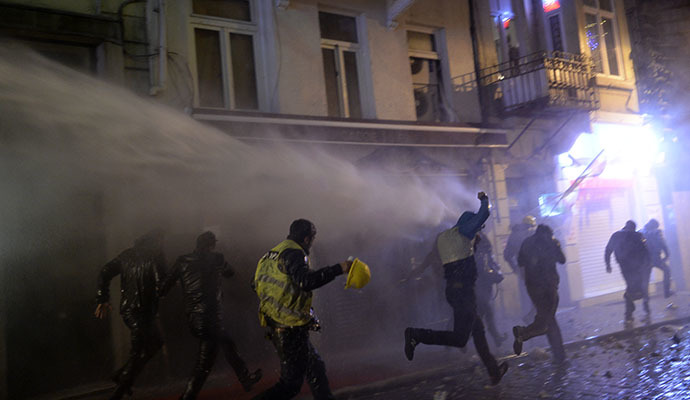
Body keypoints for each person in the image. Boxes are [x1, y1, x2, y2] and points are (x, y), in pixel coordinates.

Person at [404, 192, 509, 385]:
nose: (479, 231)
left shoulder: (444, 238)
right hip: (462, 293)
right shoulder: (464, 235)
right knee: (460, 338)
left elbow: (430, 258)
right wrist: (484, 198)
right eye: (477, 228)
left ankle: (494, 371)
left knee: (478, 331)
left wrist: (414, 273)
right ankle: (416, 335)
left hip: (456, 291)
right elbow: (483, 214)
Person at [252, 219, 353, 400]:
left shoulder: (271, 254)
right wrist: (340, 268)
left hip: (281, 323)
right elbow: (306, 282)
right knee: (289, 385)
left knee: (315, 368)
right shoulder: (294, 253)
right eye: (313, 239)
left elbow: (255, 285)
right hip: (288, 328)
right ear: (307, 238)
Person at [159, 231, 262, 400]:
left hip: (194, 318)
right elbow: (230, 273)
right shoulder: (217, 258)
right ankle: (244, 379)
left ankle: (243, 380)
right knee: (218, 350)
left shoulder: (182, 261)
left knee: (213, 355)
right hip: (210, 317)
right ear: (212, 244)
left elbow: (163, 288)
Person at [95, 230, 167, 400]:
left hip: (130, 311)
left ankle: (121, 376)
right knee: (138, 351)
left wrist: (102, 298)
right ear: (155, 241)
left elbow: (104, 271)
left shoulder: (127, 255)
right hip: (144, 311)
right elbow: (161, 283)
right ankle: (119, 389)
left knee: (154, 343)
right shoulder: (156, 255)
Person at [511, 224, 567, 363]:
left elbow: (520, 262)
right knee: (548, 319)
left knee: (548, 318)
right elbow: (562, 260)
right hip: (549, 285)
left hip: (533, 286)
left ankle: (559, 355)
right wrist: (556, 246)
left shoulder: (526, 242)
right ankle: (523, 333)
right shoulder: (552, 242)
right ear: (549, 233)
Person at [605, 221, 651, 320]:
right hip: (637, 267)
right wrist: (647, 263)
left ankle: (629, 312)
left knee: (631, 286)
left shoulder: (616, 235)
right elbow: (646, 250)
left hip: (625, 267)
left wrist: (608, 264)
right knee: (636, 287)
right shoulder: (638, 235)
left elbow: (608, 250)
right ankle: (630, 311)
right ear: (634, 228)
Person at [474, 232, 507, 347]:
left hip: (483, 287)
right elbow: (482, 270)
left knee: (484, 314)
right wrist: (492, 275)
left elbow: (490, 263)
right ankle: (495, 338)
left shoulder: (482, 251)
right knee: (486, 313)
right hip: (479, 287)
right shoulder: (478, 253)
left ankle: (496, 338)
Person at [503, 216, 537, 323]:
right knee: (535, 293)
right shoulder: (529, 235)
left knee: (526, 294)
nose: (531, 229)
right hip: (532, 270)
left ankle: (528, 317)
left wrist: (515, 268)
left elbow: (507, 255)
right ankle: (532, 317)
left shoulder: (514, 235)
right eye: (530, 227)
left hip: (522, 270)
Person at [640, 219, 673, 298]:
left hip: (645, 260)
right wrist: (667, 254)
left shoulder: (640, 232)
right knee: (667, 271)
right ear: (654, 226)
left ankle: (645, 296)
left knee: (645, 277)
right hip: (656, 258)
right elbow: (662, 243)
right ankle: (667, 292)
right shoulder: (657, 232)